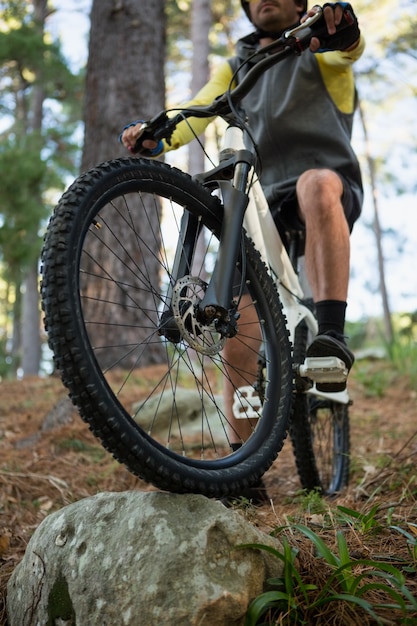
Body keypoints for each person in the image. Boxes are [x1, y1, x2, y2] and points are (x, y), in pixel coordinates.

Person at [121, 0, 364, 502]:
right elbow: (193, 113)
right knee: (238, 326)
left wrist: (339, 27)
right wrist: (156, 134)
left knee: (316, 185)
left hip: (324, 185)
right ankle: (245, 467)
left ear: (299, 4)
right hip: (262, 204)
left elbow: (349, 50)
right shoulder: (234, 69)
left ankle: (332, 337)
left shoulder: (318, 46)